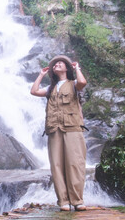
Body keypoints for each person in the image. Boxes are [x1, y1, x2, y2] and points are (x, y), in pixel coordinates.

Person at [30, 55, 87, 211]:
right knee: (56, 165)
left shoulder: (74, 83)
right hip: (54, 129)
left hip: (73, 128)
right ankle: (63, 201)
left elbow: (82, 83)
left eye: (60, 63)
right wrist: (41, 74)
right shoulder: (51, 88)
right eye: (55, 64)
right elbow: (34, 91)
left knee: (75, 163)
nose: (57, 65)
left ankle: (77, 200)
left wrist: (77, 69)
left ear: (67, 68)